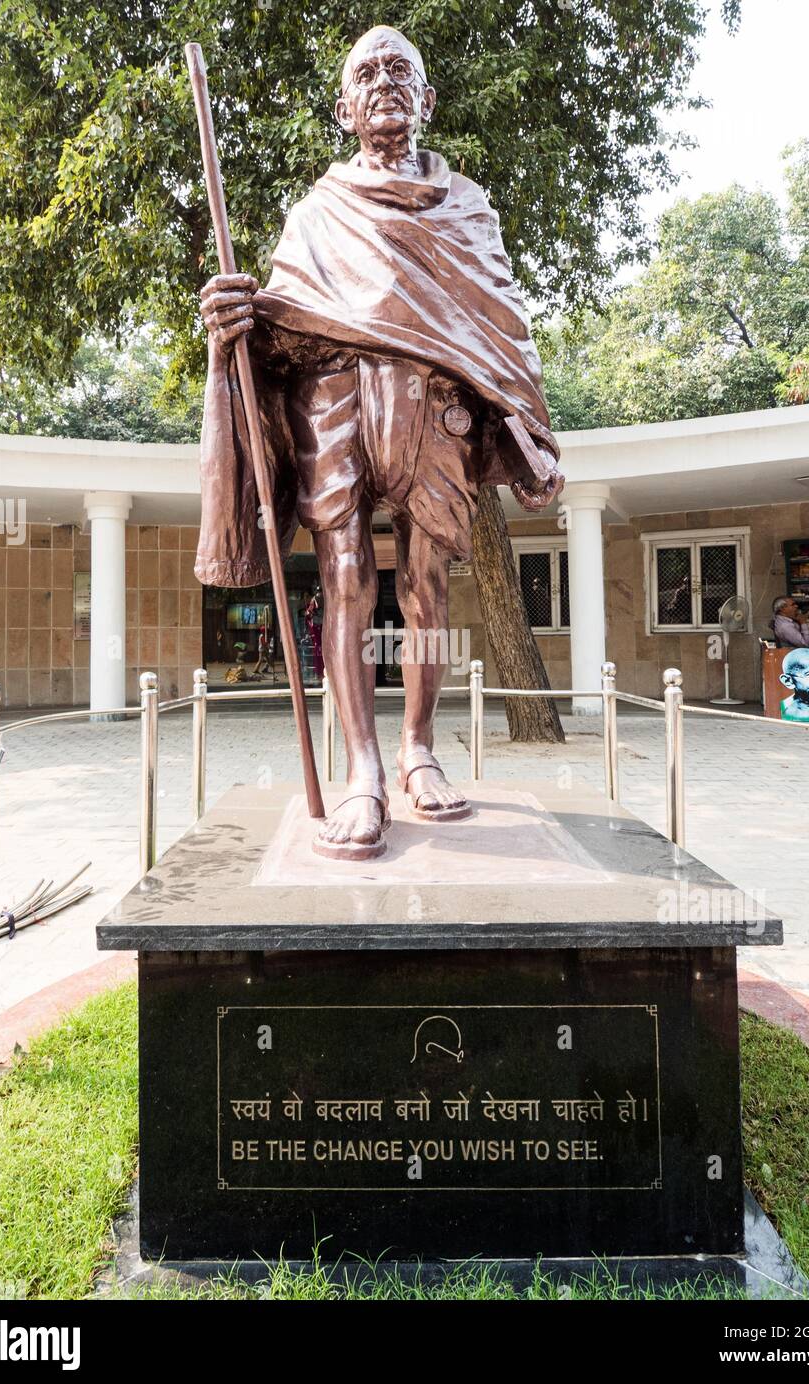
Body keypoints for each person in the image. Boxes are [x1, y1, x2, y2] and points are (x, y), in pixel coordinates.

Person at [197, 26, 564, 858]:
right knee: (347, 576)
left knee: (427, 585)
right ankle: (362, 769)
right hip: (333, 402)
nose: (385, 80)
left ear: (427, 99)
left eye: (402, 70)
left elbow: (500, 325)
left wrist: (522, 419)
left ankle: (419, 749)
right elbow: (280, 326)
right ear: (343, 107)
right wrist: (232, 325)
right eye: (367, 72)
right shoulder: (316, 212)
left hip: (434, 410)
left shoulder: (468, 206)